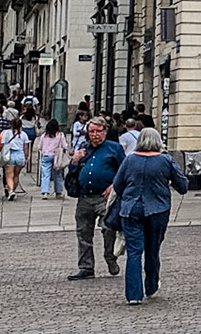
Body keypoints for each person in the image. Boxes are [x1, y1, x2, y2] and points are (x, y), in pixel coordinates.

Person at [112, 127, 188, 304]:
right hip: (158, 210)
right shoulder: (166, 160)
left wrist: (128, 196)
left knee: (134, 252)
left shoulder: (130, 160)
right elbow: (183, 186)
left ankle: (133, 295)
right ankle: (151, 285)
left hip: (131, 209)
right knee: (153, 250)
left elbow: (117, 184)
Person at [69, 118, 124, 279]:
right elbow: (72, 172)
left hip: (104, 198)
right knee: (83, 232)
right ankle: (86, 267)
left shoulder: (114, 148)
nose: (95, 135)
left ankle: (110, 256)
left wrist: (115, 185)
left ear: (104, 132)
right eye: (92, 131)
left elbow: (125, 171)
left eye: (98, 131)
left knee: (108, 228)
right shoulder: (84, 149)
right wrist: (74, 161)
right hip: (85, 197)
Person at [38, 119, 70, 198]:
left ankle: (45, 192)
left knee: (45, 174)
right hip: (57, 157)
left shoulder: (44, 135)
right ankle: (58, 192)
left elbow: (39, 147)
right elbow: (65, 145)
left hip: (46, 156)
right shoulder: (60, 135)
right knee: (58, 174)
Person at [0, 119, 29, 199]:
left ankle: (11, 191)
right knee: (16, 175)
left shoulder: (5, 133)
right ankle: (13, 191)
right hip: (20, 155)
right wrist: (26, 156)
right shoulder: (24, 134)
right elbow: (25, 147)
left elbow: (2, 145)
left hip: (10, 155)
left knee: (9, 175)